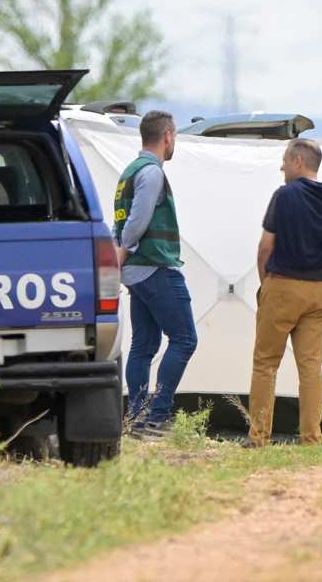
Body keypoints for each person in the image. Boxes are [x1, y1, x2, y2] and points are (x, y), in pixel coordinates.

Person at [247, 139, 322, 447]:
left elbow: (266, 246)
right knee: (311, 366)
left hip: (283, 285)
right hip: (320, 291)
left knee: (266, 363)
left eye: (285, 160)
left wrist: (267, 285)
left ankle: (259, 437)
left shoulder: (285, 195)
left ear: (299, 162)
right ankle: (312, 437)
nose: (282, 167)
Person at [114, 110, 198, 435]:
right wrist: (125, 248)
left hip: (136, 273)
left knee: (143, 345)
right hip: (155, 266)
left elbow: (120, 219)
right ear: (167, 136)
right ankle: (157, 417)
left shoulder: (128, 173)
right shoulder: (151, 173)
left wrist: (120, 253)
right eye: (174, 136)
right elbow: (137, 219)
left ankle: (135, 419)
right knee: (185, 339)